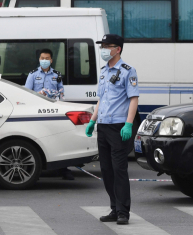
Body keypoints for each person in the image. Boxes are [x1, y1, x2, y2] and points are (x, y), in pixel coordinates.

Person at [85, 34, 139, 226]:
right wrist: (93, 121)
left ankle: (124, 212)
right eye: (103, 46)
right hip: (104, 126)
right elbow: (101, 99)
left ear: (118, 49)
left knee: (119, 169)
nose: (104, 49)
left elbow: (133, 98)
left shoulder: (127, 71)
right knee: (106, 170)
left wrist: (129, 124)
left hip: (119, 127)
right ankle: (114, 208)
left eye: (108, 46)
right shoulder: (103, 72)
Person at [24, 49, 72, 180]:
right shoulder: (33, 74)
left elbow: (61, 93)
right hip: (36, 111)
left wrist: (48, 92)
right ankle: (35, 171)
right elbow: (27, 93)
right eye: (42, 58)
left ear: (51, 60)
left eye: (47, 58)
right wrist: (39, 94)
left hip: (53, 111)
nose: (44, 60)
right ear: (39, 59)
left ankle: (64, 168)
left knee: (57, 137)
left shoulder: (57, 74)